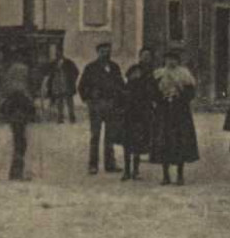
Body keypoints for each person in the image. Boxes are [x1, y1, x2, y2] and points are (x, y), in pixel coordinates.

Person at [150, 49, 199, 186]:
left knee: (180, 141)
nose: (171, 62)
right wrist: (160, 97)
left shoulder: (184, 74)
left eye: (174, 59)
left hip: (180, 111)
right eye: (168, 59)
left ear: (178, 61)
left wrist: (180, 93)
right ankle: (165, 175)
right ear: (164, 60)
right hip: (164, 111)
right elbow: (152, 92)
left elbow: (191, 94)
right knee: (164, 141)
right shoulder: (158, 74)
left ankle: (180, 175)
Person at [78, 42, 125, 175]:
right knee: (95, 136)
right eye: (103, 51)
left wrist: (119, 102)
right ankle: (93, 165)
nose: (106, 53)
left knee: (110, 136)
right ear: (97, 52)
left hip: (111, 105)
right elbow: (82, 86)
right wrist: (89, 100)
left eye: (108, 51)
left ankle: (110, 164)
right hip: (96, 106)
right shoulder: (90, 68)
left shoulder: (115, 67)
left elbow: (121, 85)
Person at [120, 51, 157, 181]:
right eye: (144, 56)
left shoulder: (153, 72)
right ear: (140, 56)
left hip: (144, 111)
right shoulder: (134, 69)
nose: (146, 58)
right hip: (130, 110)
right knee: (127, 140)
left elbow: (154, 91)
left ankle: (135, 170)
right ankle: (126, 170)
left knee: (139, 141)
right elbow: (125, 89)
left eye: (149, 56)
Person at [0, 47, 35, 182]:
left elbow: (5, 88)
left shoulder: (10, 71)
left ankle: (15, 172)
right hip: (21, 106)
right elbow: (29, 88)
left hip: (11, 107)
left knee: (17, 139)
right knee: (21, 141)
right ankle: (17, 172)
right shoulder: (24, 70)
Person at [47, 46, 79, 124]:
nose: (58, 54)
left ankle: (72, 117)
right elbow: (49, 74)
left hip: (67, 85)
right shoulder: (53, 63)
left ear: (62, 52)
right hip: (57, 85)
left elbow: (76, 72)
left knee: (69, 102)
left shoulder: (69, 62)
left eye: (59, 52)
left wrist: (72, 80)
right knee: (59, 102)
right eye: (56, 53)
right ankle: (60, 117)